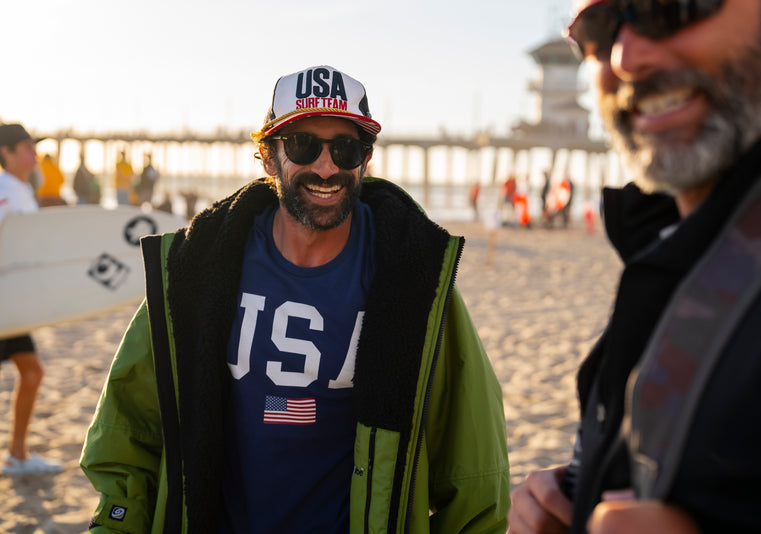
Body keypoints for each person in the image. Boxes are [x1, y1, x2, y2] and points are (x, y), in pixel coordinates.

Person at [81, 65, 510, 532]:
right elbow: (130, 430)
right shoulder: (198, 269)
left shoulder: (413, 278)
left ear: (365, 161)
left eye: (346, 149)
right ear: (268, 157)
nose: (327, 168)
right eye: (304, 145)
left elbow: (472, 466)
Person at [508, 1, 761, 533]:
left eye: (672, 6)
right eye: (598, 29)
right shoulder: (669, 246)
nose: (627, 54)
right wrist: (581, 488)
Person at [0, 123, 63, 475]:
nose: (33, 152)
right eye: (25, 146)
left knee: (32, 371)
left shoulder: (20, 188)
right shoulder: (5, 189)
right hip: (3, 300)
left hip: (11, 302)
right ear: (6, 153)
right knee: (32, 371)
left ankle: (17, 455)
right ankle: (17, 455)